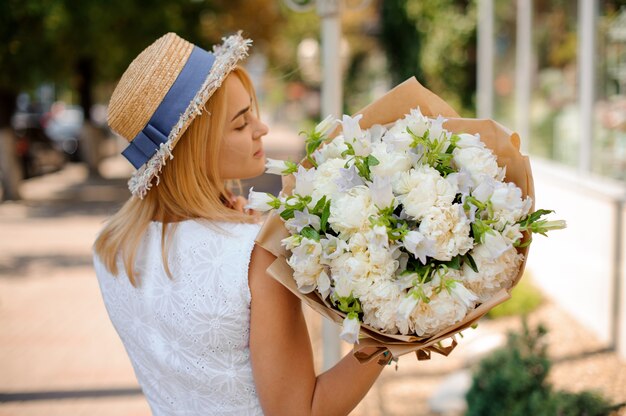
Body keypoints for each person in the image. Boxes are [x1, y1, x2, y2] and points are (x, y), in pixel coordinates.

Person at [93, 32, 390, 416]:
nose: (261, 129)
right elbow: (301, 412)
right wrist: (387, 337)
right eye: (239, 124)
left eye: (253, 112)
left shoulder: (111, 247)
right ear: (195, 148)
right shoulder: (253, 256)